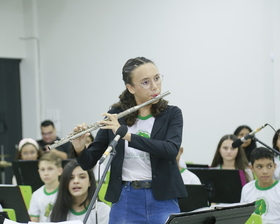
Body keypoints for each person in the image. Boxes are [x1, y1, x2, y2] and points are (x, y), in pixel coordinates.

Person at [72, 56, 187, 224]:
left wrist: (128, 136)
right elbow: (88, 162)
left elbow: (170, 150)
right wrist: (80, 147)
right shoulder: (116, 115)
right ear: (131, 88)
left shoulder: (172, 114)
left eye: (157, 78)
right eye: (146, 82)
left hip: (162, 198)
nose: (155, 86)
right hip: (126, 197)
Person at [240, 147, 280, 223]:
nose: (265, 171)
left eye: (269, 166)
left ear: (274, 166)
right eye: (259, 167)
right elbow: (243, 217)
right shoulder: (247, 189)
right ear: (251, 168)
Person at [28, 152, 63, 222]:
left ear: (59, 171)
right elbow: (34, 220)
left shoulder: (66, 191)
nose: (46, 173)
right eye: (42, 170)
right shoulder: (36, 195)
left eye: (50, 169)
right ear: (39, 172)